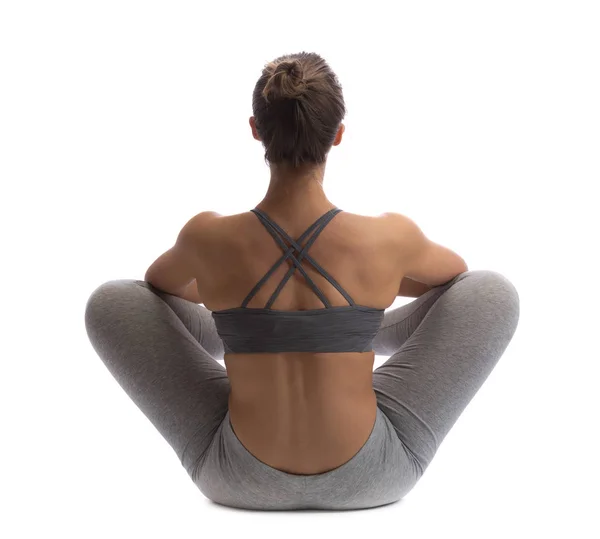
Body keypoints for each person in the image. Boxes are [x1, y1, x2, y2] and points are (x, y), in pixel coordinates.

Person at [84, 51, 520, 511]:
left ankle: (257, 329)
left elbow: (158, 288)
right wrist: (370, 292)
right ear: (338, 136)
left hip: (236, 478)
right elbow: (455, 280)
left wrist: (229, 295)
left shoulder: (206, 237)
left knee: (115, 299)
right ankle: (342, 328)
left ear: (255, 129)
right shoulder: (389, 237)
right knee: (491, 291)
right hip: (374, 478)